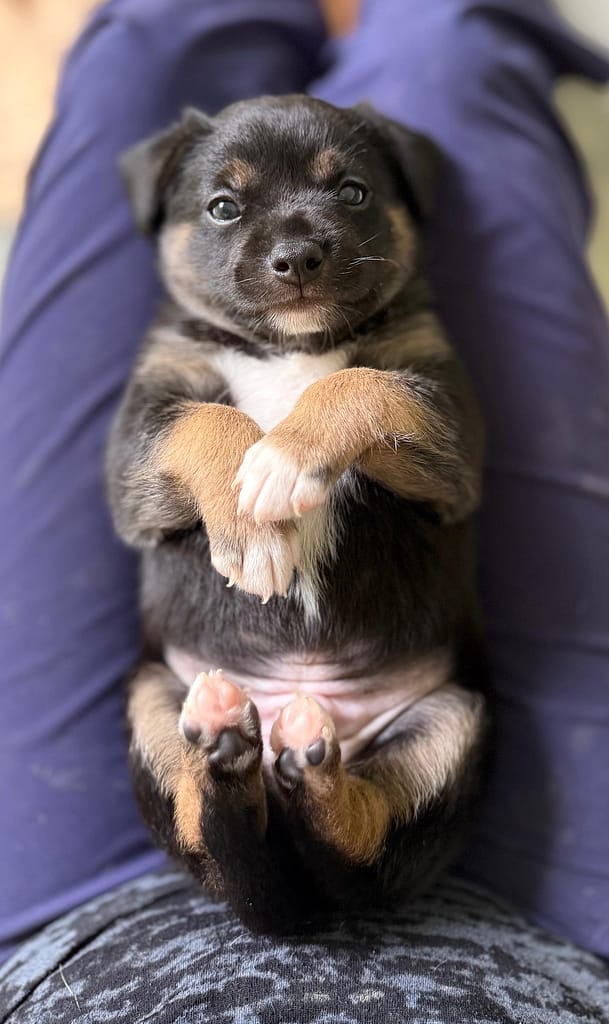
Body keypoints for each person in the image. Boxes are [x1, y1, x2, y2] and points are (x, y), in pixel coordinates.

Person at [1, 0, 609, 1016]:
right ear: (170, 222)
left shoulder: (398, 334)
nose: (294, 249)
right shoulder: (188, 347)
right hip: (551, 933)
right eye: (227, 208)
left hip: (89, 925)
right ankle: (440, 26)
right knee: (453, 58)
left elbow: (445, 469)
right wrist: (215, 446)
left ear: (405, 210)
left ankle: (212, 14)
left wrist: (349, 408)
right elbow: (148, 488)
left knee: (144, 50)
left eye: (349, 194)